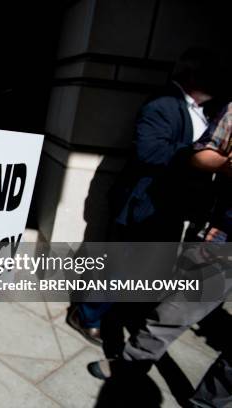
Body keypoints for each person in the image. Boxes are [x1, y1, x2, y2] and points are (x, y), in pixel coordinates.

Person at [67, 48, 221, 345]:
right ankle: (87, 316)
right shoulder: (163, 104)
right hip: (142, 205)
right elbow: (148, 152)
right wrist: (197, 158)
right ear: (192, 76)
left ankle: (115, 311)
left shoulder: (205, 112)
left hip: (169, 207)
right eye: (211, 75)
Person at [87, 102, 232, 407]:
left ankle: (206, 403)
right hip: (223, 240)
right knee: (173, 312)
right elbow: (201, 153)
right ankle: (127, 367)